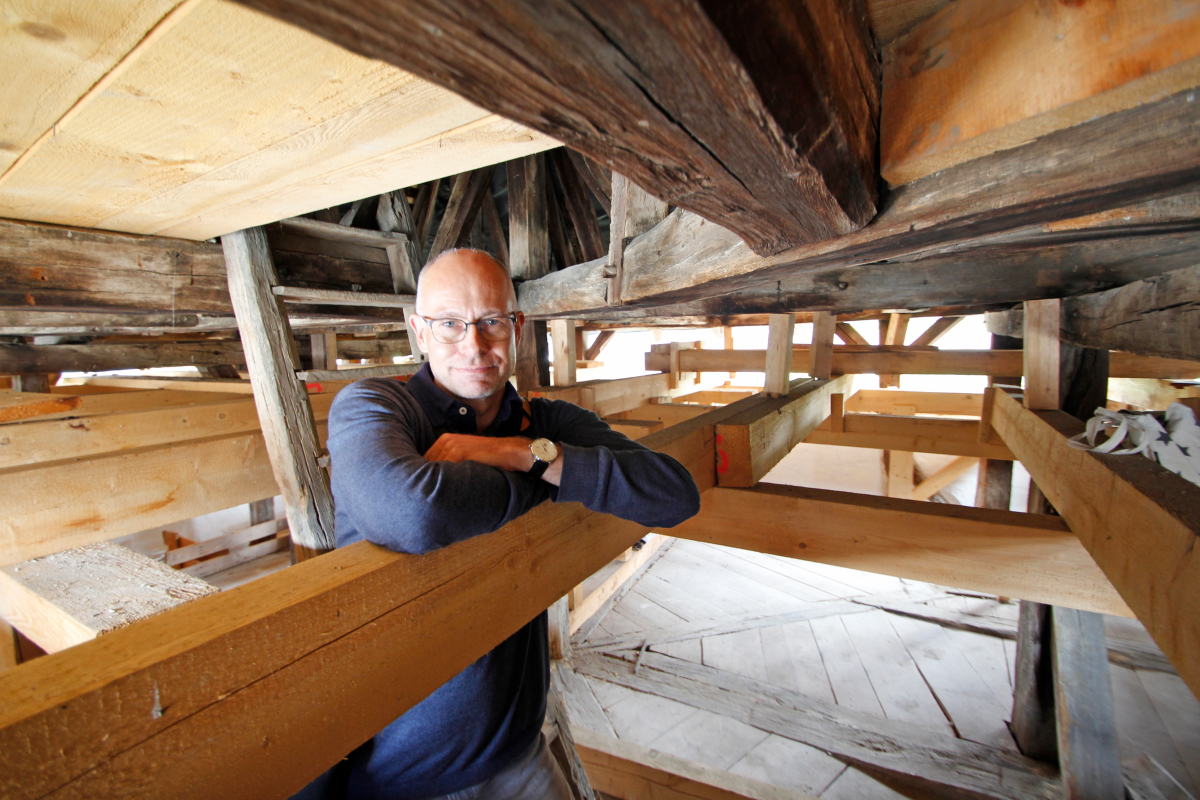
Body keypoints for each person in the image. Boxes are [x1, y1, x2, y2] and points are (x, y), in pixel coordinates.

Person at [317, 248, 701, 799]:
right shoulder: (375, 407)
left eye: (491, 321)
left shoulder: (545, 423)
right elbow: (414, 511)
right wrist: (555, 481)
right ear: (418, 332)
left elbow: (675, 495)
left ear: (516, 327)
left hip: (520, 755)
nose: (473, 344)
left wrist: (528, 455)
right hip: (402, 774)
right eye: (449, 324)